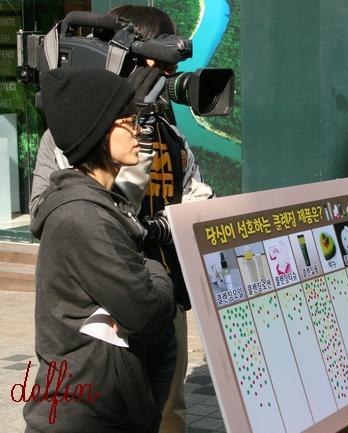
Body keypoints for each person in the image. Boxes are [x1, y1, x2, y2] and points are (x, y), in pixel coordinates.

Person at [29, 6, 213, 433]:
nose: (167, 74)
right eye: (158, 60)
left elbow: (199, 197)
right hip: (98, 308)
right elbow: (44, 211)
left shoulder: (170, 135)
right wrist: (117, 198)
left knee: (167, 411)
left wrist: (169, 225)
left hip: (164, 299)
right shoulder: (71, 132)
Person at [24, 68, 176, 433]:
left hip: (106, 404)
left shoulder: (104, 206)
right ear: (98, 131)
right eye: (128, 121)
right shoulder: (84, 217)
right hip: (85, 414)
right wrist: (156, 269)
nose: (139, 130)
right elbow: (146, 312)